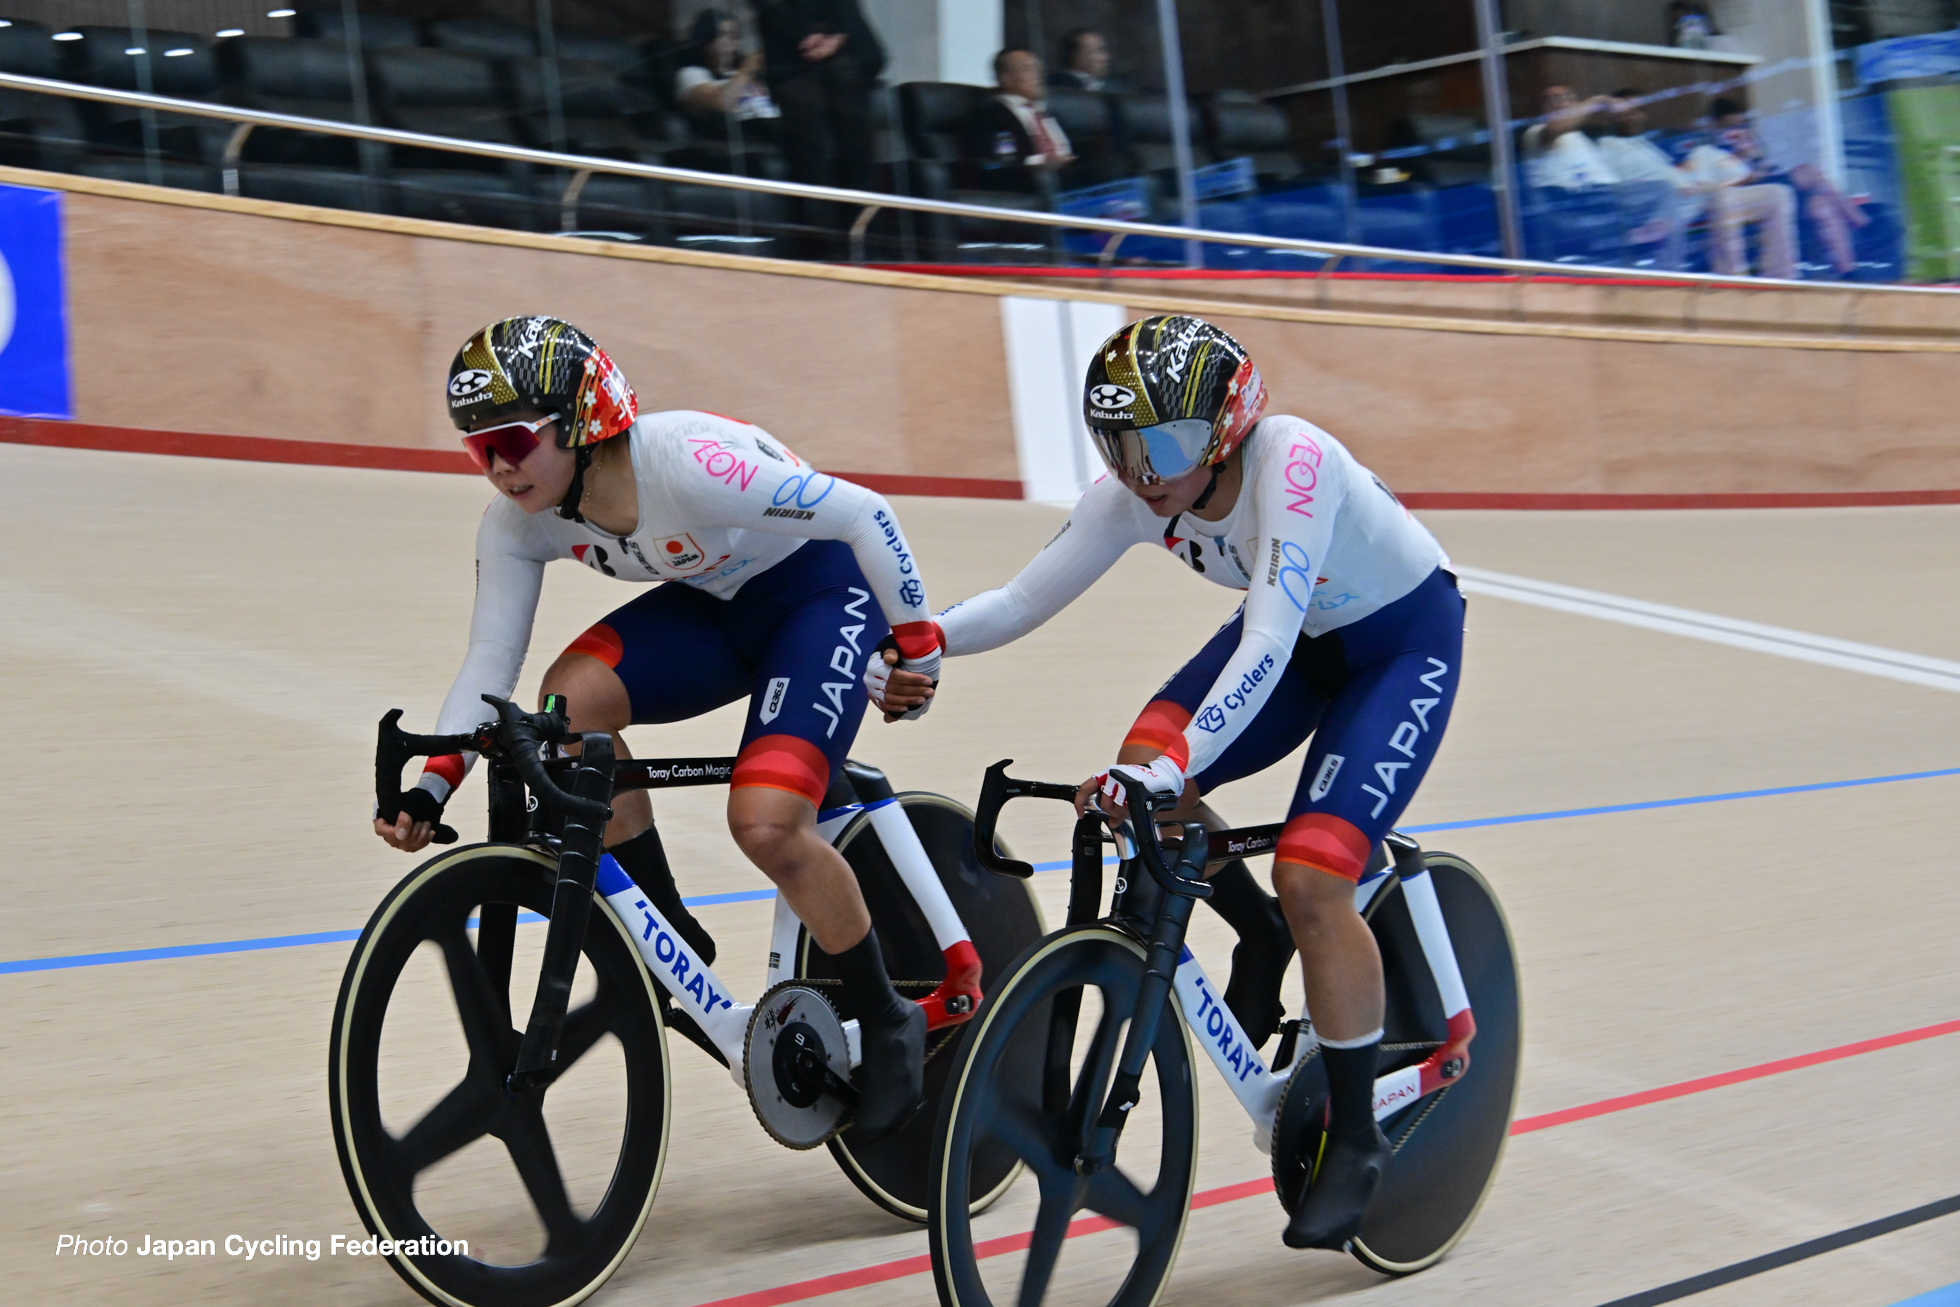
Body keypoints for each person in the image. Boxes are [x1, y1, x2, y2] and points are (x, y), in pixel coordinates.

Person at [869, 315, 1464, 1250]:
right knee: (1141, 769)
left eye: (1167, 445)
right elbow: (1021, 600)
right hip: (1303, 640)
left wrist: (1170, 766)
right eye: (1121, 445)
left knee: (1313, 874)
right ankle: (1260, 930)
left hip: (1399, 644)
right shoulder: (1133, 495)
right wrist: (924, 638)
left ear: (1228, 427)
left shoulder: (1292, 461)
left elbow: (1265, 642)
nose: (1143, 472)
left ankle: (1354, 1137)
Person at [378, 316, 945, 1143]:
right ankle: (666, 923)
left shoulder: (684, 462)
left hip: (824, 593)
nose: (497, 468)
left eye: (511, 441)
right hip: (716, 604)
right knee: (564, 705)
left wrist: (920, 646)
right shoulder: (518, 521)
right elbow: (490, 661)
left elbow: (866, 513)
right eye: (477, 448)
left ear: (579, 421)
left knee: (764, 823)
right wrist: (434, 783)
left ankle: (889, 1015)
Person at [756, 0, 885, 237]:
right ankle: (821, 241)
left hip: (844, 71)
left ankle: (864, 239)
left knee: (856, 160)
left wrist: (837, 33)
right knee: (813, 163)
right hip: (795, 70)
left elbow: (871, 52)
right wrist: (809, 35)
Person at [1709, 96, 1868, 277]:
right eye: (1730, 125)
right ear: (1719, 125)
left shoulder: (1746, 138)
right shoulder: (1714, 150)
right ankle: (1860, 223)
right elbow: (1728, 181)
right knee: (1809, 171)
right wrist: (1741, 158)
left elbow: (1762, 164)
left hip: (1770, 187)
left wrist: (1751, 152)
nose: (1736, 129)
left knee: (1821, 205)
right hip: (1754, 195)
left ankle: (1849, 271)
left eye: (1740, 123)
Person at [966, 48, 1074, 189]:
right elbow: (1001, 161)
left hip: (1069, 176)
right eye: (1027, 68)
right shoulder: (988, 116)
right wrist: (1043, 163)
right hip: (1029, 180)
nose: (1038, 75)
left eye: (1038, 68)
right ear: (1004, 78)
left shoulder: (1047, 112)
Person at [676, 9, 780, 127]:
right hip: (745, 131)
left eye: (735, 35)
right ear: (706, 39)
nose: (732, 40)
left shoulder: (740, 72)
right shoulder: (690, 74)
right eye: (723, 34)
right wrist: (747, 69)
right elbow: (721, 103)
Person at [1051, 27, 1113, 92]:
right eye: (1099, 51)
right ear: (1076, 57)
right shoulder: (1062, 87)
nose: (1106, 58)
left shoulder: (1105, 86)